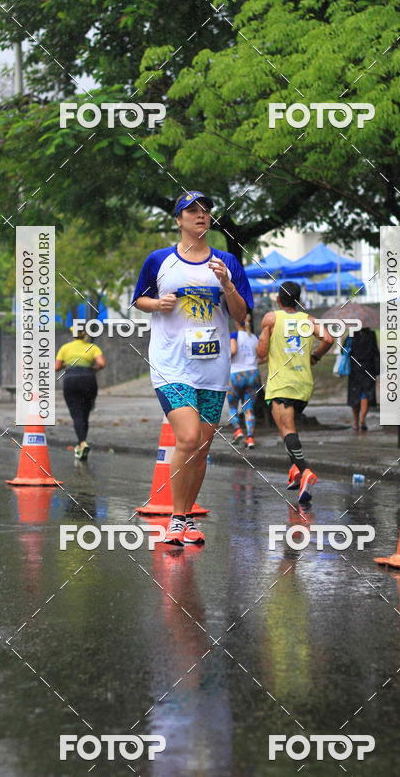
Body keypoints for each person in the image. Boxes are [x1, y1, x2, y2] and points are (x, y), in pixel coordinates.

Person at [133, 190, 252, 546]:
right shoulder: (160, 261)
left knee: (201, 446)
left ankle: (185, 519)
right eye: (192, 211)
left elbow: (241, 314)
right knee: (186, 437)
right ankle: (174, 517)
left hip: (214, 366)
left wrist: (228, 285)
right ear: (179, 220)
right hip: (171, 364)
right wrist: (157, 304)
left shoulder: (227, 261)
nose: (201, 215)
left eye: (205, 210)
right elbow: (139, 298)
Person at [257, 282, 333, 505]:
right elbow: (328, 339)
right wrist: (316, 357)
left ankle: (305, 471)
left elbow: (261, 353)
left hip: (282, 383)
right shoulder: (309, 321)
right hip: (303, 384)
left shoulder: (271, 319)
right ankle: (295, 470)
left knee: (286, 428)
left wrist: (265, 346)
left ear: (279, 300)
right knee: (284, 426)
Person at [55, 324, 106, 460]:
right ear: (85, 335)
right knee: (85, 413)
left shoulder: (65, 348)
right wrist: (92, 369)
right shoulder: (93, 347)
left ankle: (82, 442)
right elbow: (101, 363)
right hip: (89, 380)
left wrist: (68, 364)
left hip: (71, 381)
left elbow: (56, 367)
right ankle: (81, 444)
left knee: (76, 413)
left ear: (73, 335)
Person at [228, 314, 260, 449]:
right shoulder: (254, 338)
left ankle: (238, 430)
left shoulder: (234, 336)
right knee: (249, 408)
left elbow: (233, 351)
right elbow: (260, 355)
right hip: (253, 374)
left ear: (236, 323)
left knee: (233, 406)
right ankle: (250, 438)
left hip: (236, 374)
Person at [346, 326, 379, 431]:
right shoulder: (371, 334)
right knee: (365, 395)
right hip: (368, 369)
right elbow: (375, 351)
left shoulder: (351, 335)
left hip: (354, 369)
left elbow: (344, 351)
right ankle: (362, 420)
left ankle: (355, 422)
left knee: (354, 395)